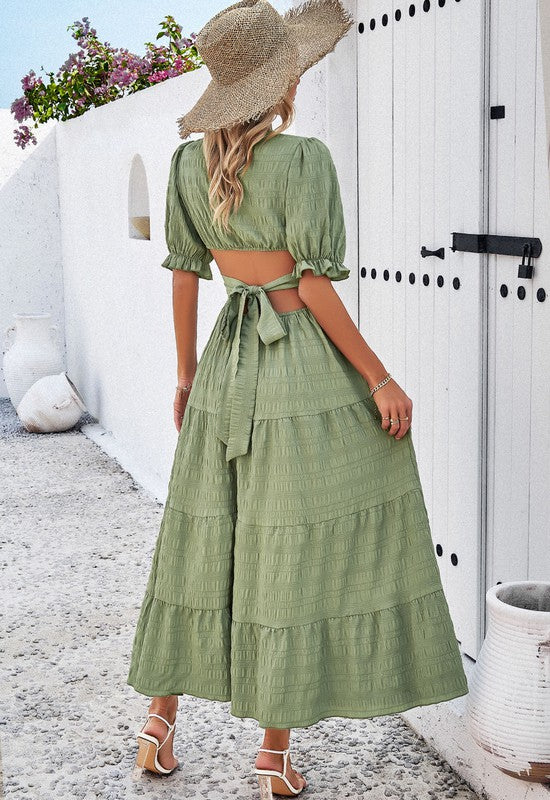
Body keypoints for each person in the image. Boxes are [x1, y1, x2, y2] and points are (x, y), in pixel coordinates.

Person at [126, 0, 469, 795]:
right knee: (293, 542)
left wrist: (184, 378)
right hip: (298, 366)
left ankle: (158, 722)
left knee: (202, 540)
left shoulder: (183, 166)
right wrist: (379, 377)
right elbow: (310, 286)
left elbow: (185, 278)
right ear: (281, 84)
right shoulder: (304, 159)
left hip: (222, 368)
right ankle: (272, 759)